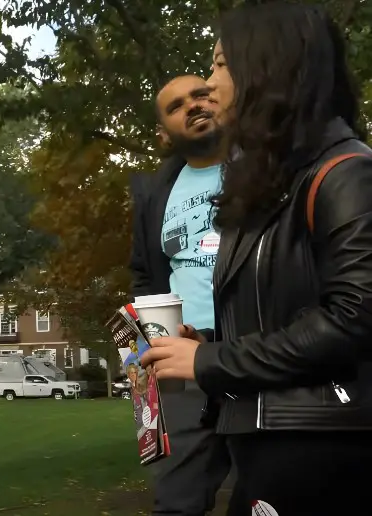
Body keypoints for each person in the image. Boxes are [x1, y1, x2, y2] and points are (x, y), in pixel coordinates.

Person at [143, 3, 372, 515]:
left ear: (269, 68)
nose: (209, 82)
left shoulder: (346, 174)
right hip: (266, 437)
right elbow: (283, 310)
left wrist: (210, 361)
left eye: (221, 64)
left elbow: (355, 318)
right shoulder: (276, 184)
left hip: (321, 448)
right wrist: (208, 344)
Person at [129, 74, 231, 516]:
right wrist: (144, 349)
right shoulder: (155, 194)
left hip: (259, 353)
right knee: (176, 503)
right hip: (182, 369)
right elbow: (143, 278)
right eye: (176, 106)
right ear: (163, 133)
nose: (192, 105)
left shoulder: (271, 170)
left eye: (201, 94)